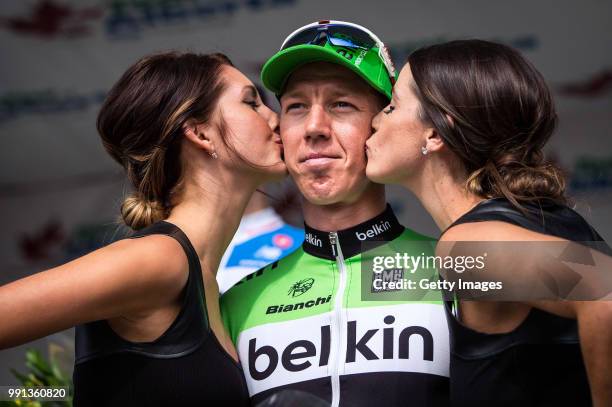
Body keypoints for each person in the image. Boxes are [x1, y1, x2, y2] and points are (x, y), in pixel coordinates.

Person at [0, 51, 285, 406]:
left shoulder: (202, 278)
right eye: (251, 102)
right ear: (200, 133)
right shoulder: (160, 260)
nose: (276, 118)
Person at [365, 39, 612, 406]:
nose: (374, 119)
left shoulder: (466, 245)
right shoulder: (532, 218)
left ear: (434, 133)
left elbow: (605, 294)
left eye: (391, 107)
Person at [221, 20, 450, 407]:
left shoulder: (457, 263)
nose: (314, 127)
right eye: (295, 107)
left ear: (382, 123)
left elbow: (587, 277)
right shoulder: (238, 298)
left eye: (341, 104)